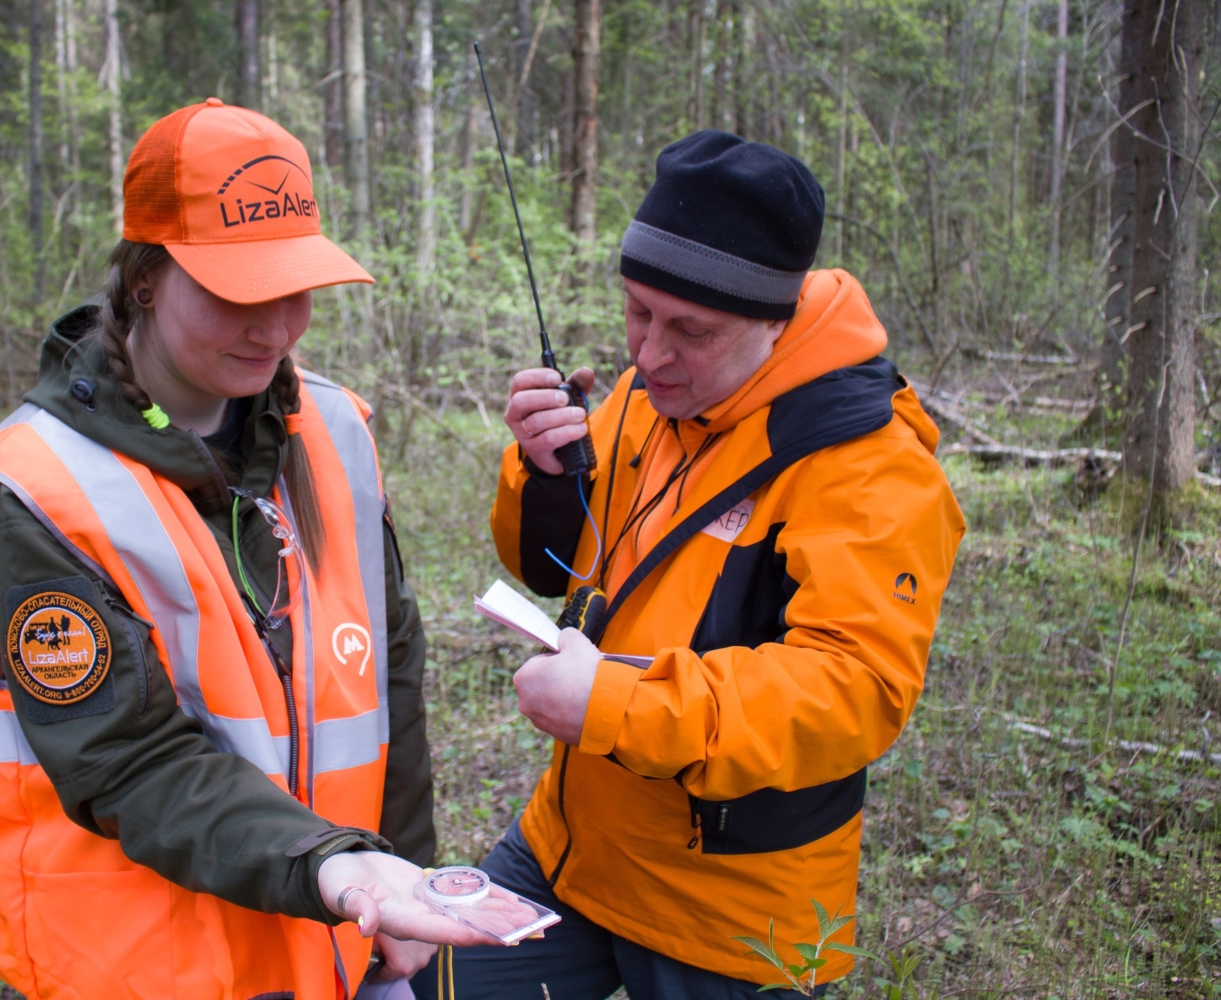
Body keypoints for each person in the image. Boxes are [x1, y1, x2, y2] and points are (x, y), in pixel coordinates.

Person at [0, 99, 505, 1000]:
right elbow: (127, 759)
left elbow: (388, 682)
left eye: (294, 289)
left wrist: (398, 879)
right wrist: (340, 870)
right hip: (156, 965)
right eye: (236, 295)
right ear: (145, 278)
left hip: (342, 934)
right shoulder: (35, 488)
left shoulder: (331, 432)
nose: (275, 327)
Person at [413, 133, 966, 998]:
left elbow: (854, 693)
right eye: (637, 311)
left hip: (735, 912)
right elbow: (551, 566)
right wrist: (544, 471)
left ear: (774, 326)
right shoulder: (648, 399)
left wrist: (615, 705)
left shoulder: (869, 466)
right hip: (573, 844)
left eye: (690, 331)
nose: (647, 354)